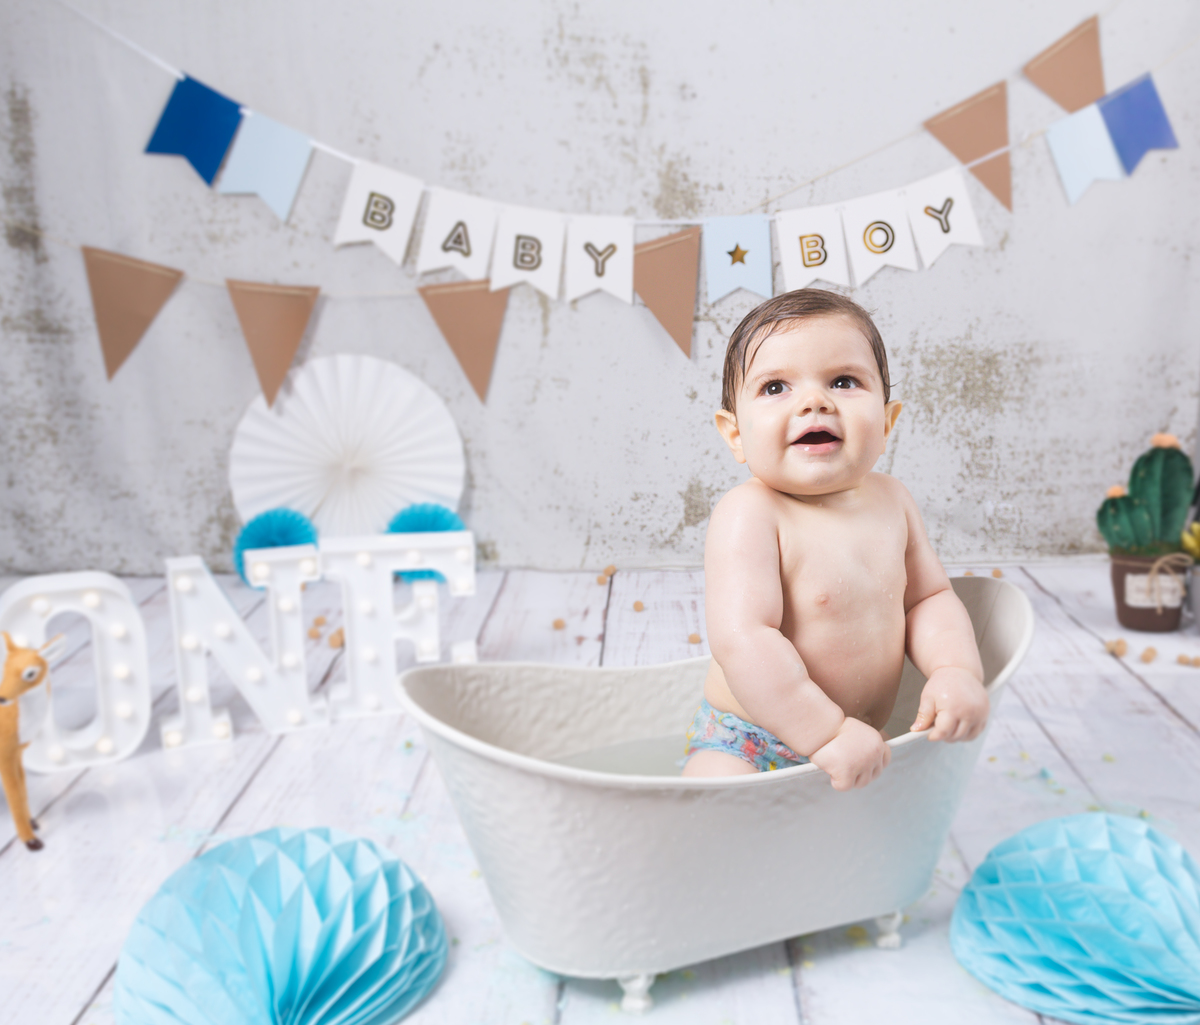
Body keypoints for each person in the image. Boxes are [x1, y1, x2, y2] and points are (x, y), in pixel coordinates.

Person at [682, 289, 987, 789]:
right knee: (714, 805)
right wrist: (824, 732)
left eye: (843, 382)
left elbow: (928, 599)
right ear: (735, 434)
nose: (814, 402)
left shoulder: (893, 500)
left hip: (858, 737)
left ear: (886, 422)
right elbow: (744, 640)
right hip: (752, 740)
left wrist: (955, 670)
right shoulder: (751, 513)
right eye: (776, 387)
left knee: (871, 823)